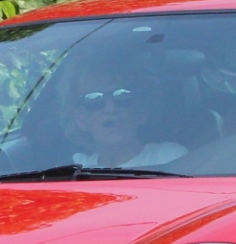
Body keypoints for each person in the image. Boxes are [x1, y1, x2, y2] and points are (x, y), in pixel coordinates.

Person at [60, 39, 189, 169]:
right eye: (95, 100)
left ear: (141, 112)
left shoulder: (169, 158)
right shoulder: (74, 171)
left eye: (122, 96)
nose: (110, 109)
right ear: (80, 118)